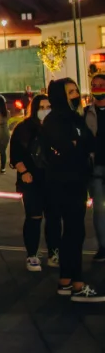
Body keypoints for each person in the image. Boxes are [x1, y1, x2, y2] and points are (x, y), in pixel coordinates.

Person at [41, 78, 104, 302]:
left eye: (76, 90)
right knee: (74, 233)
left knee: (73, 234)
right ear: (60, 95)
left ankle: (66, 281)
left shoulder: (75, 118)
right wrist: (77, 146)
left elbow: (88, 143)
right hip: (63, 183)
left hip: (77, 181)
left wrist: (79, 145)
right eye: (70, 92)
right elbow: (67, 148)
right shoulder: (54, 121)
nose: (75, 95)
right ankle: (77, 284)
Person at [11, 95, 58, 272]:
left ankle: (54, 252)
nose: (45, 110)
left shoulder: (55, 127)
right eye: (42, 107)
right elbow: (16, 155)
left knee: (54, 217)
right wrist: (24, 172)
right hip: (31, 179)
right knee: (34, 217)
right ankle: (32, 255)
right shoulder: (23, 129)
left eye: (48, 106)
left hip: (52, 178)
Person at [83, 74, 105, 263]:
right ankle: (103, 246)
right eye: (94, 85)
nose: (97, 88)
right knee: (99, 209)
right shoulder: (86, 112)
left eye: (101, 85)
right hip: (96, 168)